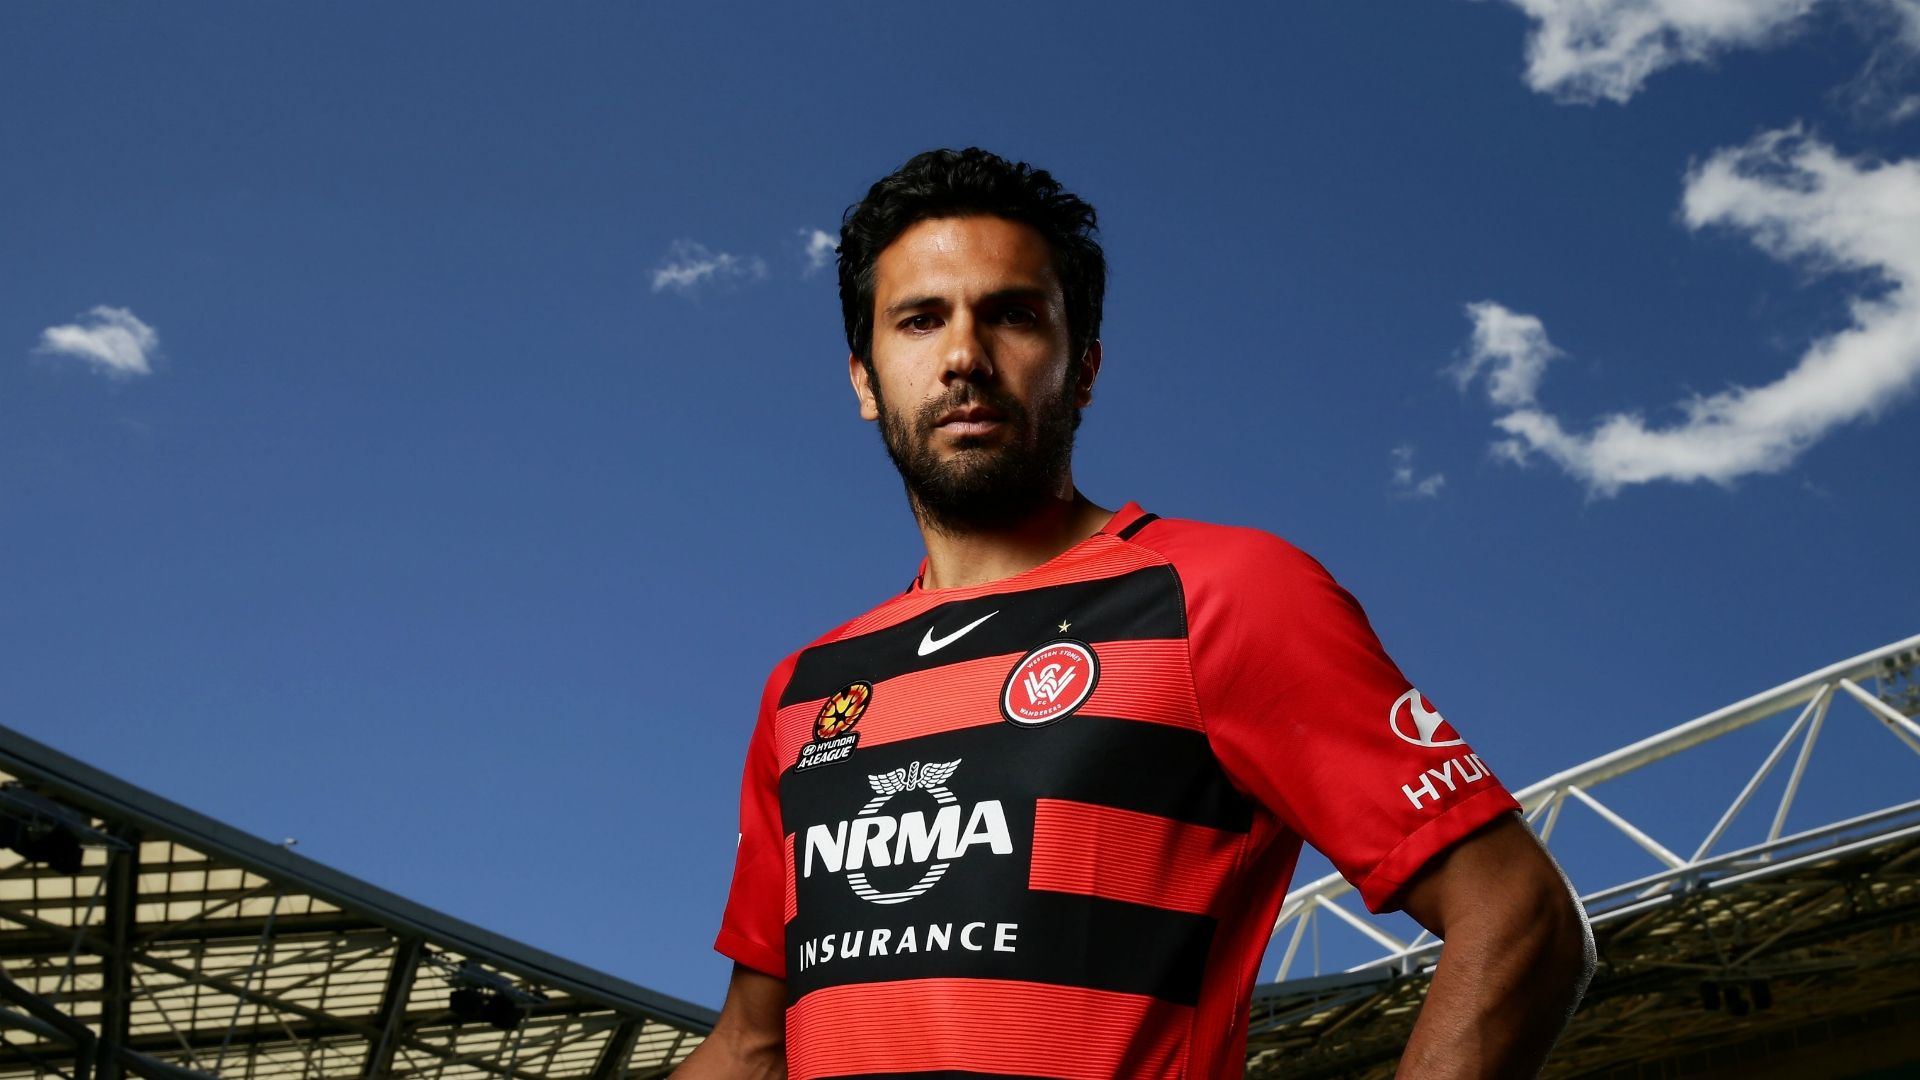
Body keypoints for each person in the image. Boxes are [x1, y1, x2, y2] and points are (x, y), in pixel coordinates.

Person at [677, 148, 1594, 1080]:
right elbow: (751, 1049)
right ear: (865, 381)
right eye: (919, 321)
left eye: (1014, 315)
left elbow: (1519, 913)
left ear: (1083, 368)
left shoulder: (1223, 594)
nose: (963, 356)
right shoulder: (807, 690)